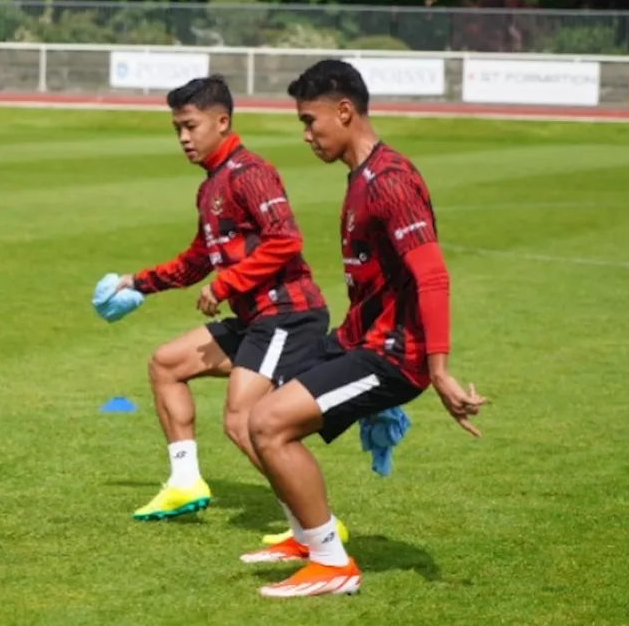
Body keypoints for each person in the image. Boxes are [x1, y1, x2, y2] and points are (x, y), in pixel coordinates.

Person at [246, 59, 487, 598]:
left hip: (395, 356)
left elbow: (433, 275)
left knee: (267, 424)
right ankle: (307, 537)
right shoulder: (363, 177)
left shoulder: (391, 182)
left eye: (311, 121)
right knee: (250, 412)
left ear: (345, 111)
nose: (306, 134)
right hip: (363, 339)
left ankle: (332, 564)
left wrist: (439, 370)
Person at [114, 75, 334, 546]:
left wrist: (228, 283)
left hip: (287, 315)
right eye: (177, 129)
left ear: (222, 121)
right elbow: (198, 258)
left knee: (242, 420)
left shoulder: (250, 173)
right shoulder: (211, 185)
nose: (183, 138)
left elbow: (285, 239)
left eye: (190, 126)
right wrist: (139, 283)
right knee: (165, 364)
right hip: (257, 319)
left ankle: (314, 528)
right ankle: (185, 481)